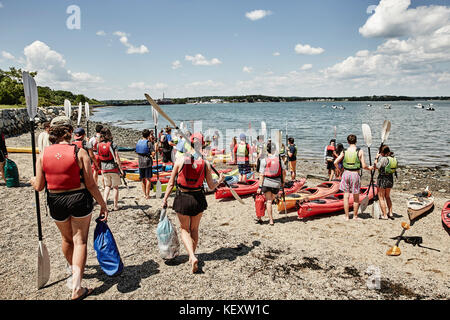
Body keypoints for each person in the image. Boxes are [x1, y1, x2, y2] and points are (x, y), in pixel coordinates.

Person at [30, 116, 108, 300]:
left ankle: (74, 273)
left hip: (56, 201)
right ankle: (77, 287)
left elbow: (39, 186)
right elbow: (90, 184)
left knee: (66, 239)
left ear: (52, 133)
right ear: (70, 132)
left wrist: (33, 180)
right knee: (79, 241)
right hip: (79, 198)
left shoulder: (43, 155)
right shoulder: (79, 152)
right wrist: (103, 204)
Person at [162, 133, 225, 273]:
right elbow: (211, 186)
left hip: (183, 197)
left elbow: (171, 183)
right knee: (194, 229)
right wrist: (219, 181)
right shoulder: (206, 163)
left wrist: (165, 198)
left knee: (184, 229)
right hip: (198, 198)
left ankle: (191, 255)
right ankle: (192, 256)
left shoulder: (180, 160)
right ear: (201, 145)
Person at [334, 134, 372, 220]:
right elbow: (363, 165)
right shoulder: (360, 151)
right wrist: (369, 168)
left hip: (346, 173)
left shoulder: (344, 151)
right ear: (356, 141)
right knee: (356, 197)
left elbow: (335, 162)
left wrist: (339, 170)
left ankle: (347, 216)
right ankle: (355, 216)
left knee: (346, 196)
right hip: (355, 174)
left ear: (348, 142)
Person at [257, 142, 286, 226]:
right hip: (276, 183)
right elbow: (284, 172)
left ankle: (270, 220)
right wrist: (283, 181)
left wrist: (259, 186)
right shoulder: (279, 160)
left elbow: (261, 175)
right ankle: (267, 217)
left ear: (267, 150)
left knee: (268, 201)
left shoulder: (264, 160)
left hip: (266, 182)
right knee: (270, 200)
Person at [98, 127, 122, 211]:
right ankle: (115, 206)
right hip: (113, 168)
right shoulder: (112, 144)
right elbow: (117, 158)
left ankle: (104, 204)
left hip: (104, 168)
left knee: (107, 186)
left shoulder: (99, 145)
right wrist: (121, 169)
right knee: (115, 187)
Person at [374, 145, 397, 220]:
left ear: (382, 153)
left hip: (383, 178)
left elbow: (376, 166)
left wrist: (376, 158)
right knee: (387, 196)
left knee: (381, 197)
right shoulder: (393, 158)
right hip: (390, 178)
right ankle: (390, 213)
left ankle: (384, 215)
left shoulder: (383, 159)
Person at [136, 129, 155, 199]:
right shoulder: (149, 143)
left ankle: (144, 194)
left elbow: (137, 151)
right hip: (147, 163)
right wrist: (153, 152)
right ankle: (147, 195)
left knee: (143, 179)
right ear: (148, 135)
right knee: (148, 179)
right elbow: (153, 153)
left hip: (140, 162)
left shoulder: (139, 142)